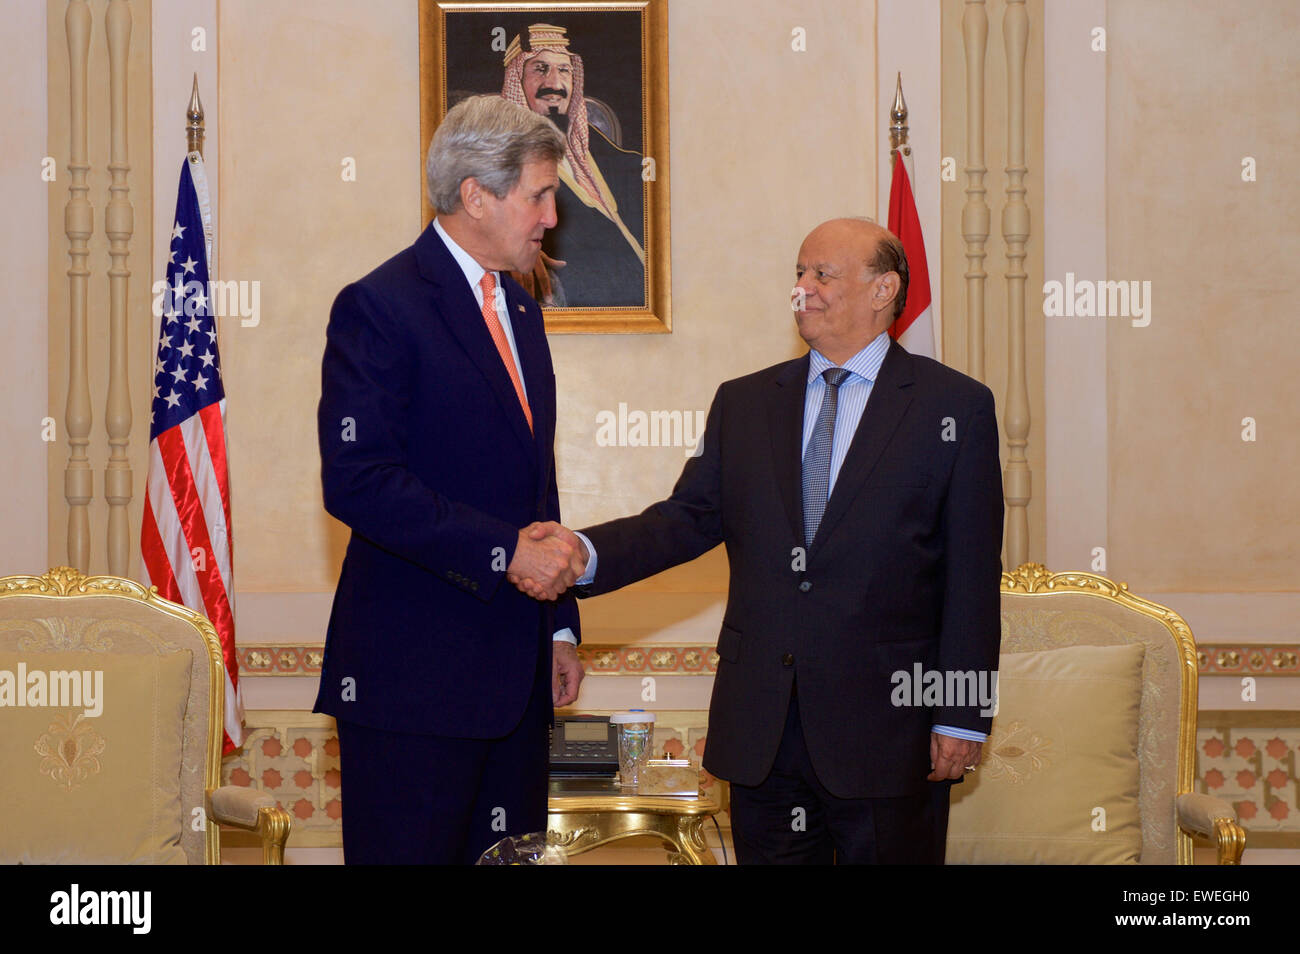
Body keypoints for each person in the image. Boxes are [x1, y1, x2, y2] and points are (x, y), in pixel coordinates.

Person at [512, 218, 1004, 863]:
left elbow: (971, 578)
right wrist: (582, 552)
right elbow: (683, 520)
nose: (802, 289)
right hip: (762, 734)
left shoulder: (954, 408)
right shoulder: (745, 404)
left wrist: (961, 715)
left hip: (889, 733)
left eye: (821, 275)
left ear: (884, 289)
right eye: (799, 274)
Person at [315, 95, 588, 865]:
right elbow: (358, 479)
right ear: (477, 195)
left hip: (518, 677)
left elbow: (537, 484)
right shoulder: (380, 306)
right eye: (538, 194)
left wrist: (559, 624)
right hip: (413, 686)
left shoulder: (523, 313)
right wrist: (506, 553)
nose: (550, 215)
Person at [500, 22, 646, 307]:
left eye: (564, 70)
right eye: (540, 69)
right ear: (517, 80)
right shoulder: (503, 161)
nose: (555, 84)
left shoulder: (609, 154)